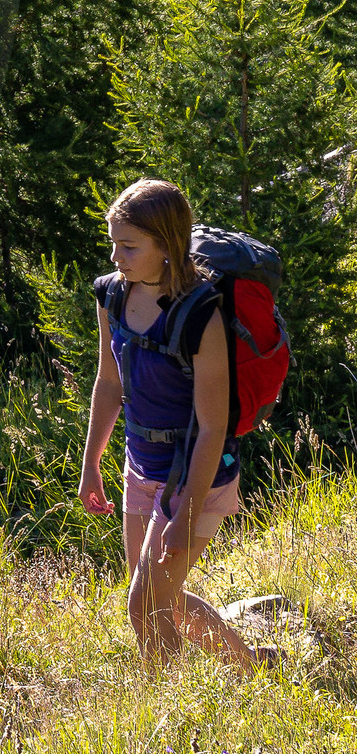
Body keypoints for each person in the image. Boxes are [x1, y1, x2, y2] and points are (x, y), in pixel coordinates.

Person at [79, 176, 272, 673]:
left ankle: (168, 707)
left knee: (143, 603)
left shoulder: (199, 317)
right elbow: (109, 383)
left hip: (196, 476)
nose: (116, 257)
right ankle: (249, 662)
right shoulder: (113, 296)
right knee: (157, 595)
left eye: (129, 246)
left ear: (166, 246)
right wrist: (91, 464)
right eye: (113, 244)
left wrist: (184, 514)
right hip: (140, 468)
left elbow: (212, 427)